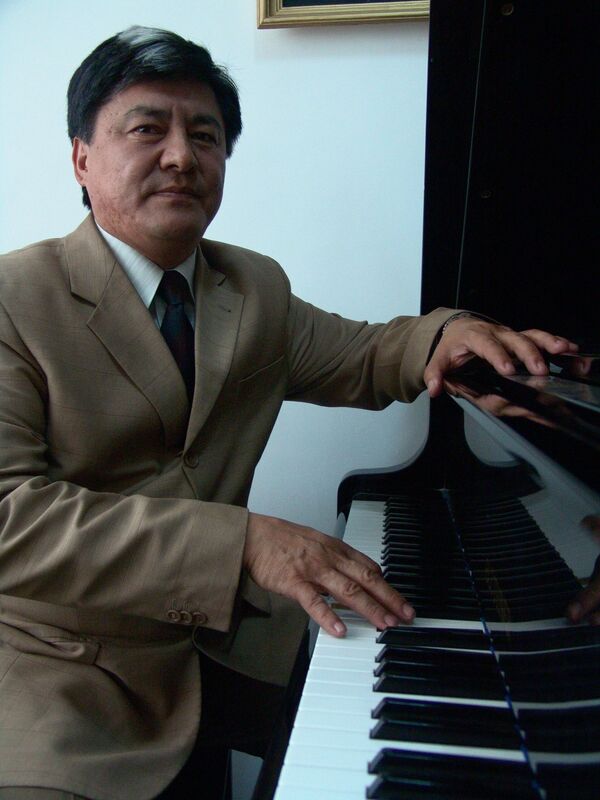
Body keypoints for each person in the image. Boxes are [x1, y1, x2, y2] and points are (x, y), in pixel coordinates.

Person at [0, 25, 579, 800]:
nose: (182, 156)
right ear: (81, 157)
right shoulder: (13, 299)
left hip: (217, 648)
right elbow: (9, 517)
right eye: (147, 129)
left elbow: (364, 355)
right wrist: (241, 543)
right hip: (57, 681)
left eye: (205, 135)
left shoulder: (251, 287)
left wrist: (446, 334)